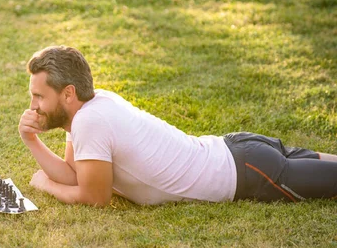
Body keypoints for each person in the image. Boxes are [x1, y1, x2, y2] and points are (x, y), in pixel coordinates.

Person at [18, 45, 337, 207]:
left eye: (39, 96)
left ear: (68, 93)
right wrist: (32, 140)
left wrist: (45, 185)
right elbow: (76, 174)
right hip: (239, 151)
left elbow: (95, 197)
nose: (34, 106)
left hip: (245, 173)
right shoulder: (93, 106)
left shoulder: (90, 121)